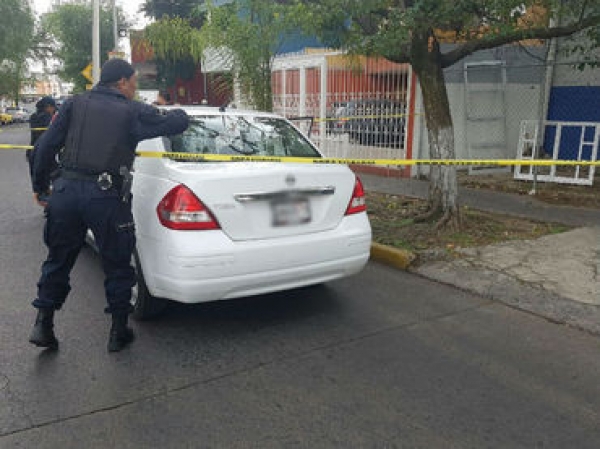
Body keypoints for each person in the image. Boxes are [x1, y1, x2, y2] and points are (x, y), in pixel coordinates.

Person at [29, 58, 189, 352]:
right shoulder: (132, 110)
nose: (135, 89)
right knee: (117, 264)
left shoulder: (74, 104)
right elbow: (177, 123)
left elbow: (44, 147)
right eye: (134, 84)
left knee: (58, 260)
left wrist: (41, 187)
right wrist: (176, 109)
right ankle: (118, 331)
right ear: (122, 83)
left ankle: (43, 323)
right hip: (105, 196)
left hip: (65, 194)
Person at [27, 97, 57, 181]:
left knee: (36, 180)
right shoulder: (48, 117)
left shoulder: (33, 116)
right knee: (53, 178)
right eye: (53, 108)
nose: (54, 110)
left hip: (32, 150)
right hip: (44, 151)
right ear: (48, 107)